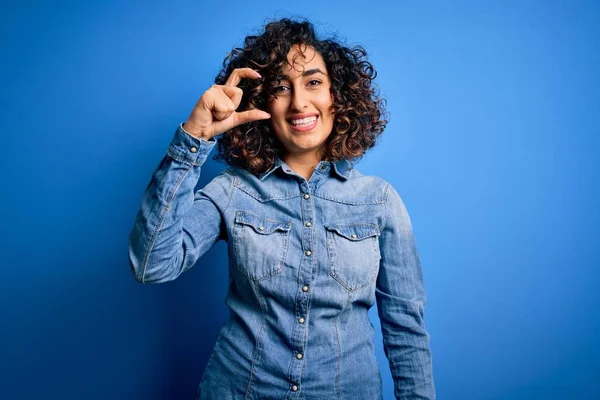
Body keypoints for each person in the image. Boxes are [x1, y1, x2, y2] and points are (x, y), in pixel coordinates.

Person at [128, 17, 435, 400]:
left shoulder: (380, 201)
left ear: (337, 95)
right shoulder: (232, 190)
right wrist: (194, 138)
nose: (299, 102)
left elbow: (405, 328)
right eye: (280, 87)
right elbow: (151, 265)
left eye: (313, 82)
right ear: (262, 104)